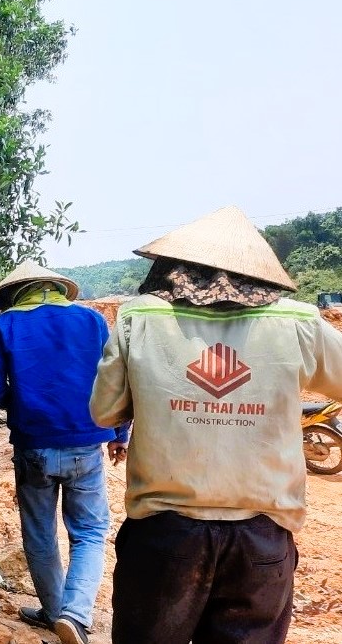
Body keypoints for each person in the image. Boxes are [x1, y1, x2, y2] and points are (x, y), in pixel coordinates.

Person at [93, 207, 342, 644]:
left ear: (173, 266)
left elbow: (104, 412)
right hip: (261, 538)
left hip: (165, 535)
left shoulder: (139, 318)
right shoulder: (299, 322)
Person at [0, 261, 121, 644]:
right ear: (57, 288)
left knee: (40, 532)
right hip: (85, 443)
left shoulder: (4, 325)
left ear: (15, 293)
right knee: (90, 530)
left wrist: (22, 403)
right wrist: (119, 432)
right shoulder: (92, 323)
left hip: (32, 445)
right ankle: (74, 613)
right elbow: (115, 381)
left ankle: (57, 612)